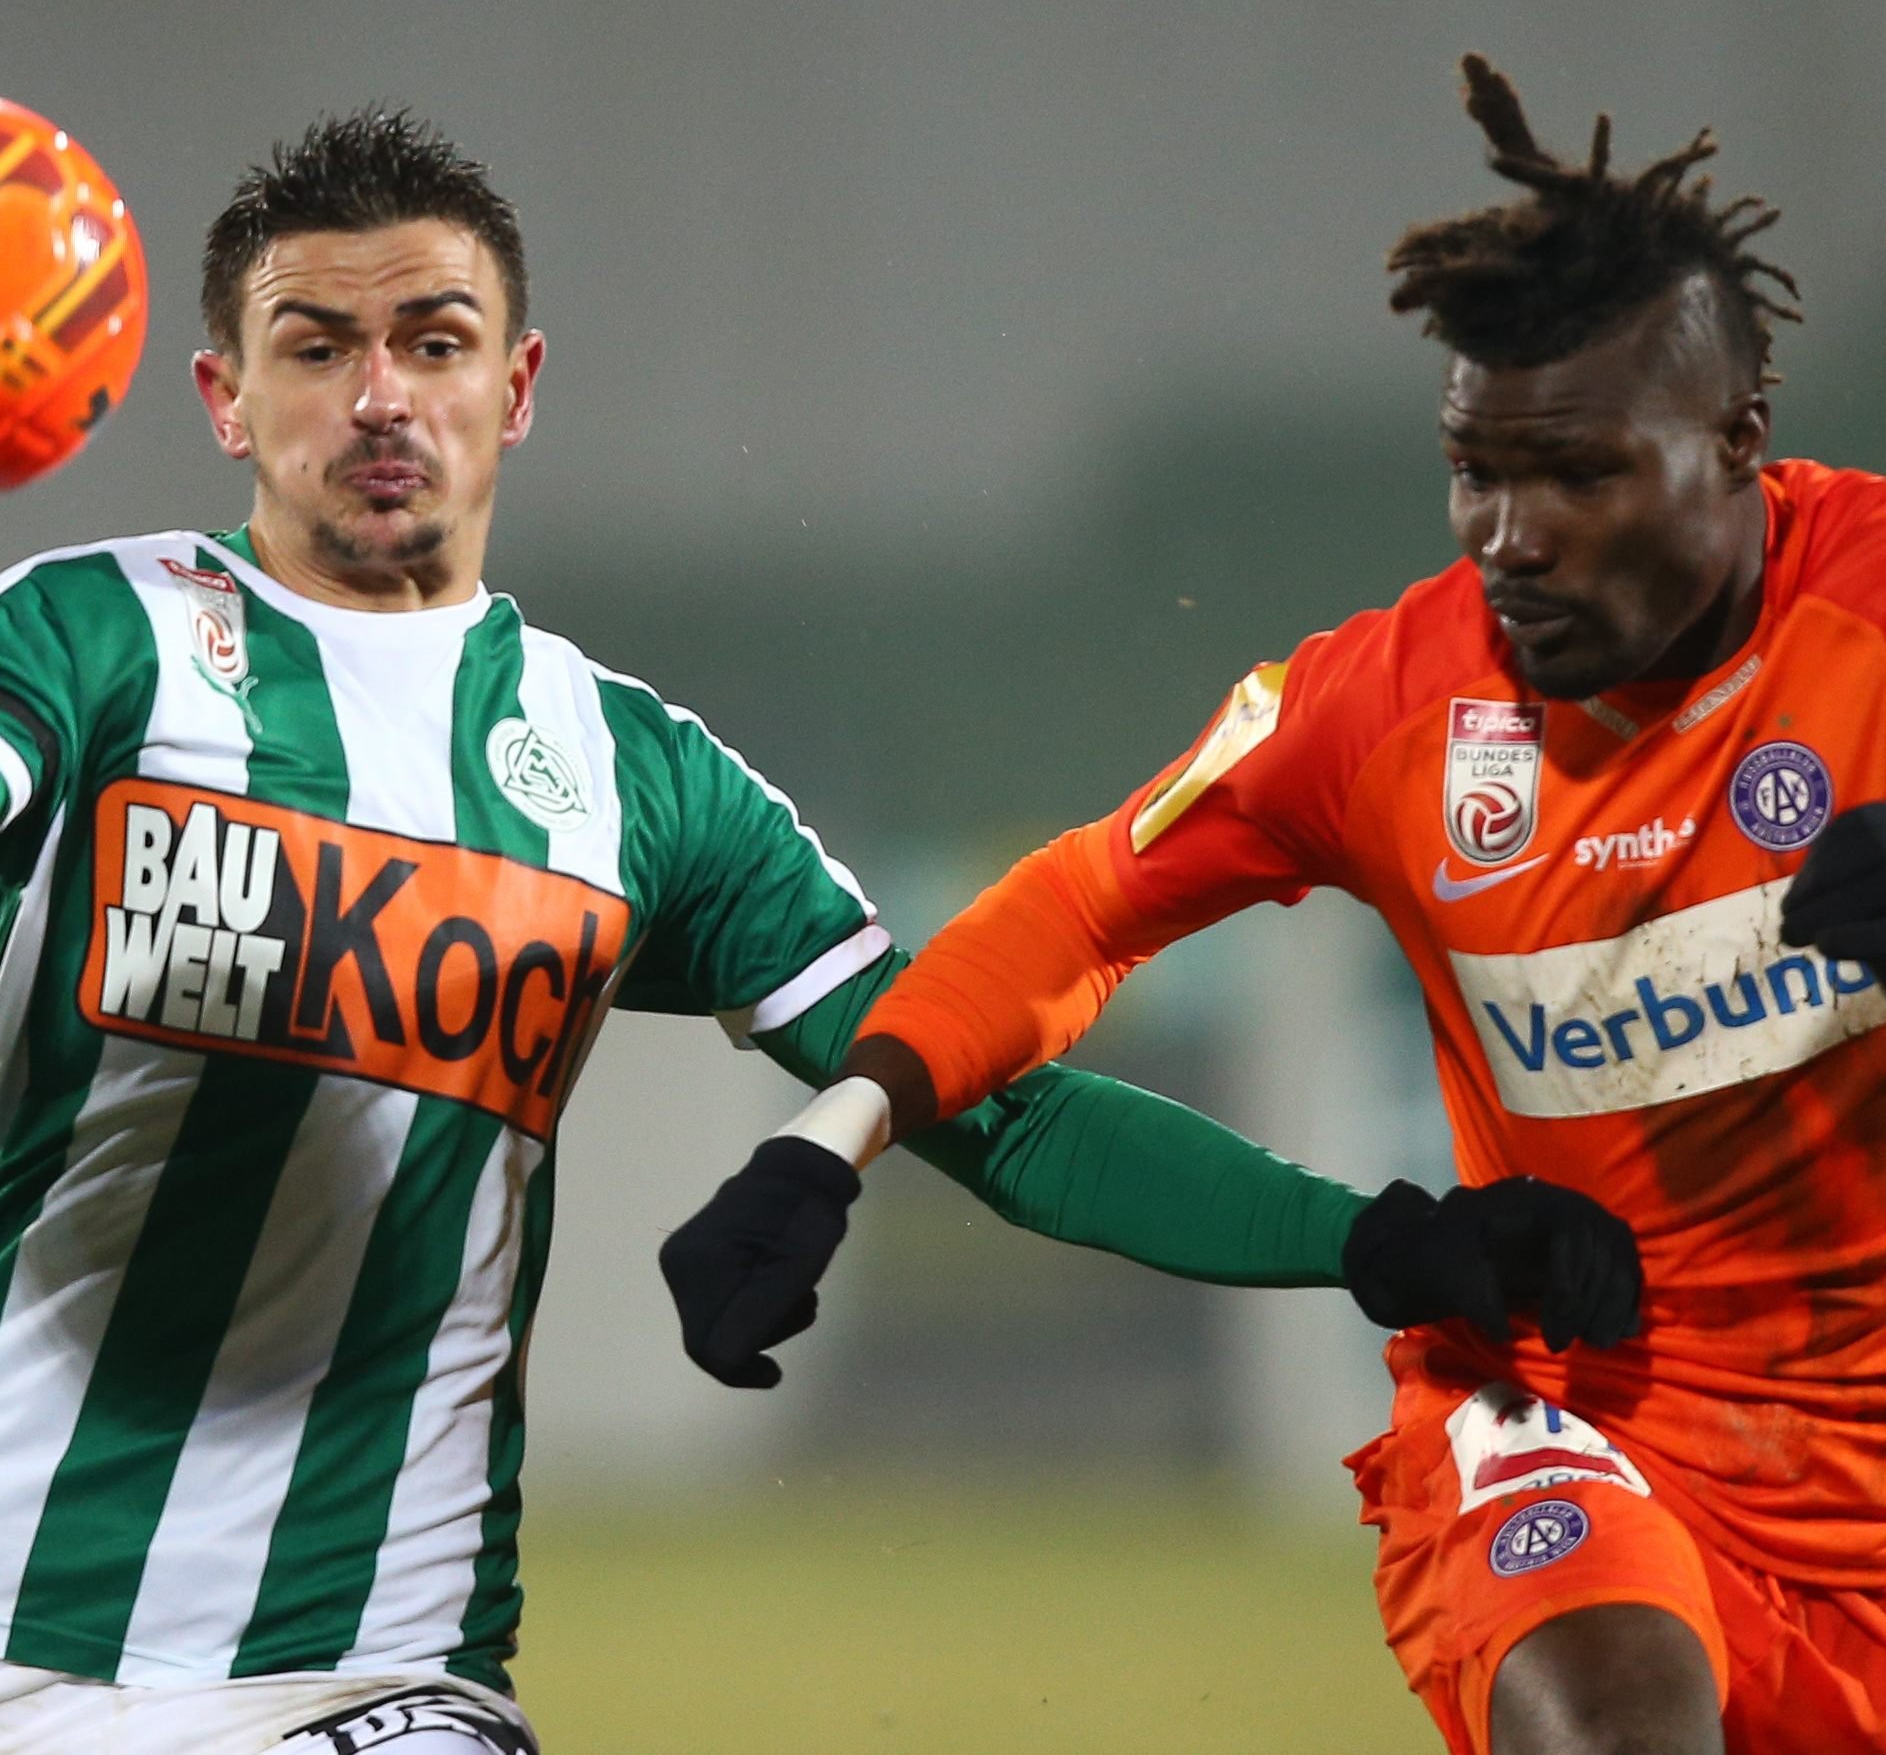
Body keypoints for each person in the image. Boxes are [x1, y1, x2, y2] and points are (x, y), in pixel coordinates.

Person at [0, 107, 1631, 1754]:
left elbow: (988, 1095)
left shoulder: (632, 777)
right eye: (314, 348)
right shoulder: (87, 643)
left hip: (364, 1674)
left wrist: (1376, 1240)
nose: (379, 397)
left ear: (517, 383)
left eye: (433, 342)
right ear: (223, 395)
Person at [662, 56, 1886, 1755]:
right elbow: (1080, 905)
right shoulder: (1379, 705)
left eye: (1578, 474)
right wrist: (833, 1137)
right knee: (1616, 1726)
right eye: (1474, 471)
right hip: (1568, 1411)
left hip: (1853, 1453)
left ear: (1740, 440)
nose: (1511, 538)